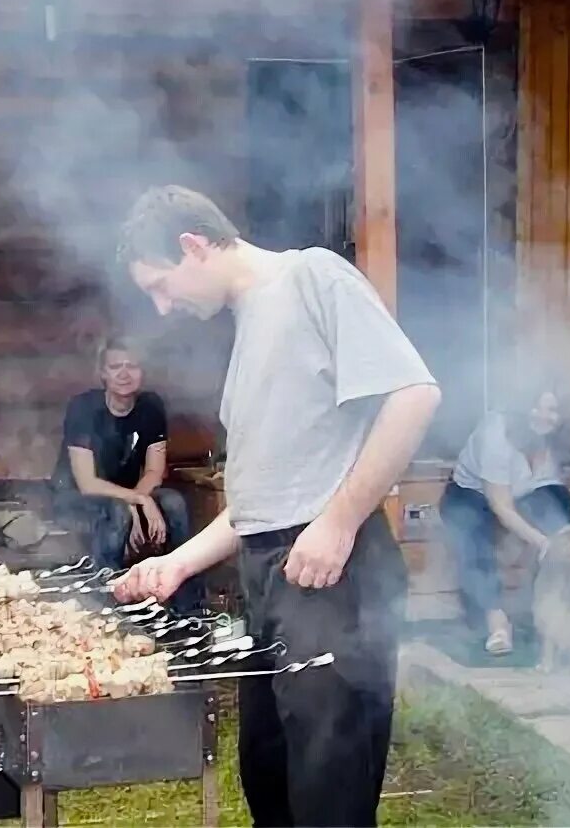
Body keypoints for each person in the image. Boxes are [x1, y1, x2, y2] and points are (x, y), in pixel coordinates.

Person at [110, 185, 441, 827]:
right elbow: (257, 501)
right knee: (270, 778)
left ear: (193, 245)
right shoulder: (247, 330)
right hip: (270, 582)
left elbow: (414, 396)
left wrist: (339, 522)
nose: (162, 305)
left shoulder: (312, 276)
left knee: (328, 793)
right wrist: (177, 563)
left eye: (159, 284)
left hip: (333, 584)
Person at [439, 385, 570, 655]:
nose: (542, 416)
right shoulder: (497, 433)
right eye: (537, 407)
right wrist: (546, 543)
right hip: (474, 494)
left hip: (531, 493)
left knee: (559, 511)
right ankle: (496, 622)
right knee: (471, 531)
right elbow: (501, 506)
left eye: (552, 410)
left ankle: (556, 617)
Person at [50, 335, 203, 611]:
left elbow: (155, 471)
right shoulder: (84, 408)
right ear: (102, 374)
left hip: (126, 495)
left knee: (173, 502)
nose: (124, 373)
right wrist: (135, 503)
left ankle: (187, 606)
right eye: (115, 366)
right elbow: (87, 483)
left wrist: (138, 500)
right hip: (74, 498)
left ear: (142, 373)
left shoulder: (150, 407)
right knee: (117, 511)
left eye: (132, 366)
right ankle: (106, 605)